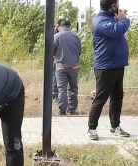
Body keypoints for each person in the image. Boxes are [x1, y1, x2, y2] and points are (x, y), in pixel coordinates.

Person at [87, 0, 130, 140]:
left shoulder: (112, 18)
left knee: (117, 97)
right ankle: (91, 129)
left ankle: (115, 126)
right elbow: (116, 31)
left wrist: (119, 18)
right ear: (112, 6)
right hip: (105, 66)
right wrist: (123, 19)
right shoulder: (100, 21)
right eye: (116, 3)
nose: (118, 6)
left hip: (118, 65)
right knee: (100, 98)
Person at [53, 20, 82, 115]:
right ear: (69, 27)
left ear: (60, 27)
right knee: (73, 88)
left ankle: (62, 110)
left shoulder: (56, 36)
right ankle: (73, 109)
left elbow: (52, 51)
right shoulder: (76, 36)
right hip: (74, 65)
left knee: (62, 89)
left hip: (60, 67)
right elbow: (79, 51)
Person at [52, 18, 66, 103]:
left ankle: (57, 96)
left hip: (60, 58)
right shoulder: (54, 34)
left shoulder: (61, 34)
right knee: (54, 77)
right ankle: (54, 96)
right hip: (55, 59)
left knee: (58, 78)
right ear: (58, 26)